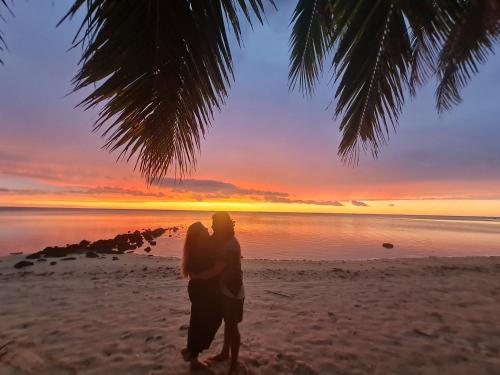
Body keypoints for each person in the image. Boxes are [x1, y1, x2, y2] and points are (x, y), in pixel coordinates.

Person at [190, 212, 244, 374]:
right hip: (224, 289)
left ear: (223, 225)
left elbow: (216, 269)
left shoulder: (230, 245)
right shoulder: (223, 239)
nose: (212, 226)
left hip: (232, 292)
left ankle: (233, 362)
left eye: (215, 224)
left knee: (232, 327)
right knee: (228, 323)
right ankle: (224, 353)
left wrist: (197, 276)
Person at [180, 222, 222, 370]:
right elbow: (196, 275)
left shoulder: (202, 245)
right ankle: (193, 356)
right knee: (206, 322)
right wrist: (217, 270)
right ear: (199, 235)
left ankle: (191, 351)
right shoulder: (197, 250)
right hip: (202, 292)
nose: (207, 229)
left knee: (199, 322)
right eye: (204, 229)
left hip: (202, 291)